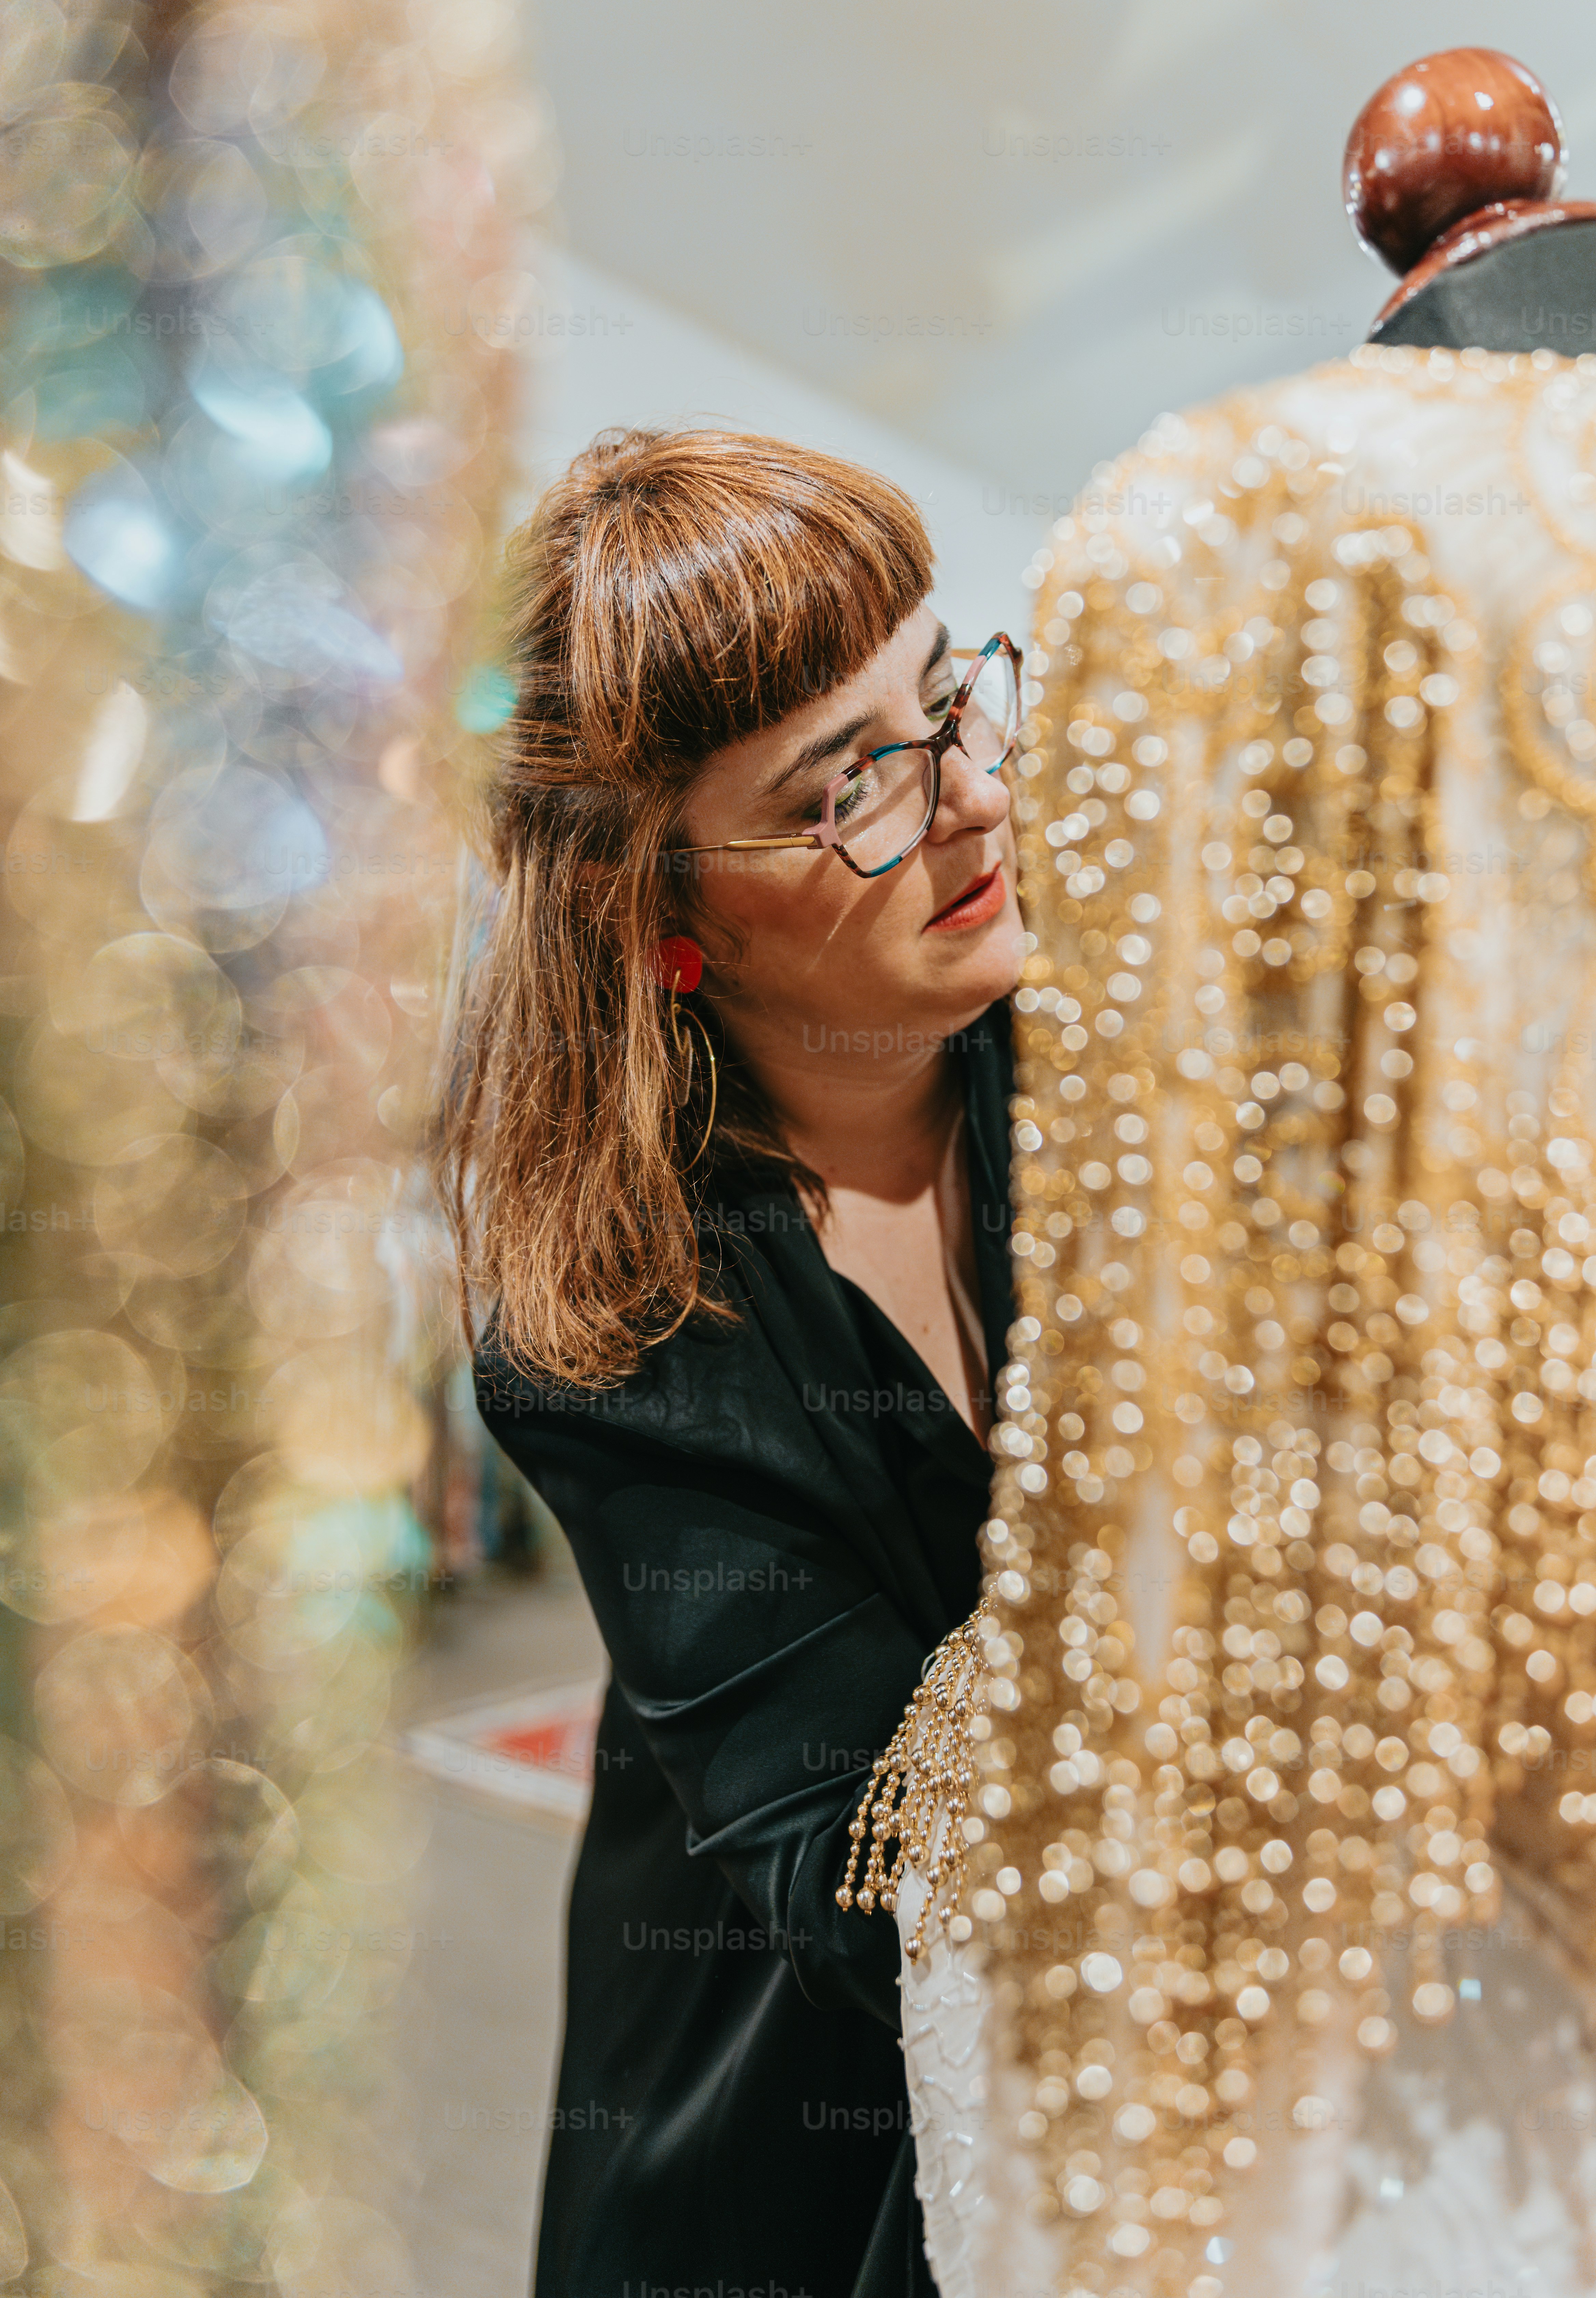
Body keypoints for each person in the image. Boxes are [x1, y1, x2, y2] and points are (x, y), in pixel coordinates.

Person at [436, 426, 1026, 2298]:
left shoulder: (1121, 1059)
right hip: (796, 2109)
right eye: (848, 784)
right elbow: (878, 1868)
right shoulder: (609, 1319)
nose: (970, 797)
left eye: (947, 700)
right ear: (660, 917)